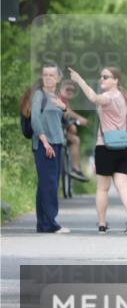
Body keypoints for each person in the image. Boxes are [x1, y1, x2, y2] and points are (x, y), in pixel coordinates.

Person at [68, 66, 127, 234]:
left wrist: (79, 80)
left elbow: (93, 97)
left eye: (106, 77)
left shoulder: (108, 97)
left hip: (105, 147)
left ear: (116, 80)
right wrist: (123, 131)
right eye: (101, 76)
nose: (102, 79)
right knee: (122, 186)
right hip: (123, 147)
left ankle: (101, 224)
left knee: (102, 188)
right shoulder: (122, 97)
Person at [23, 63, 71, 233]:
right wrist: (44, 142)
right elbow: (35, 120)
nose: (48, 77)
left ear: (58, 78)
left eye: (52, 75)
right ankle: (51, 224)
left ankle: (43, 224)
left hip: (56, 143)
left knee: (46, 184)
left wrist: (63, 107)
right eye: (45, 74)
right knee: (49, 184)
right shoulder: (39, 95)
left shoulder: (55, 96)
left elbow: (62, 121)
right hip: (45, 146)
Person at [59, 80, 90, 181]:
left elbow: (67, 113)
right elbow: (67, 112)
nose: (70, 92)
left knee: (73, 131)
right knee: (75, 140)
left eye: (72, 90)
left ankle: (73, 167)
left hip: (59, 130)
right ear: (61, 88)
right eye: (67, 89)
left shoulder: (65, 100)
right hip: (55, 132)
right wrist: (80, 118)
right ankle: (75, 168)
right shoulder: (60, 98)